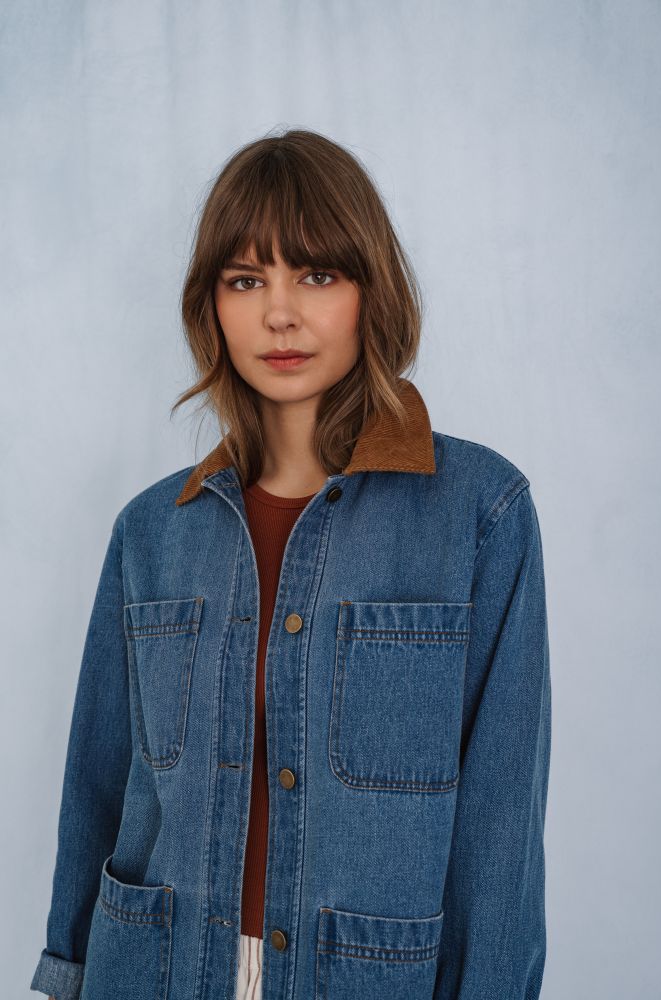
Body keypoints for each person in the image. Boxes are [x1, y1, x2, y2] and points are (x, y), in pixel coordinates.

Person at [31, 128, 551, 1000]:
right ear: (213, 306)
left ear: (369, 290)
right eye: (246, 280)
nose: (280, 313)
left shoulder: (479, 515)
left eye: (317, 274)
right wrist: (67, 972)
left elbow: (500, 826)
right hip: (155, 974)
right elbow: (97, 788)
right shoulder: (153, 530)